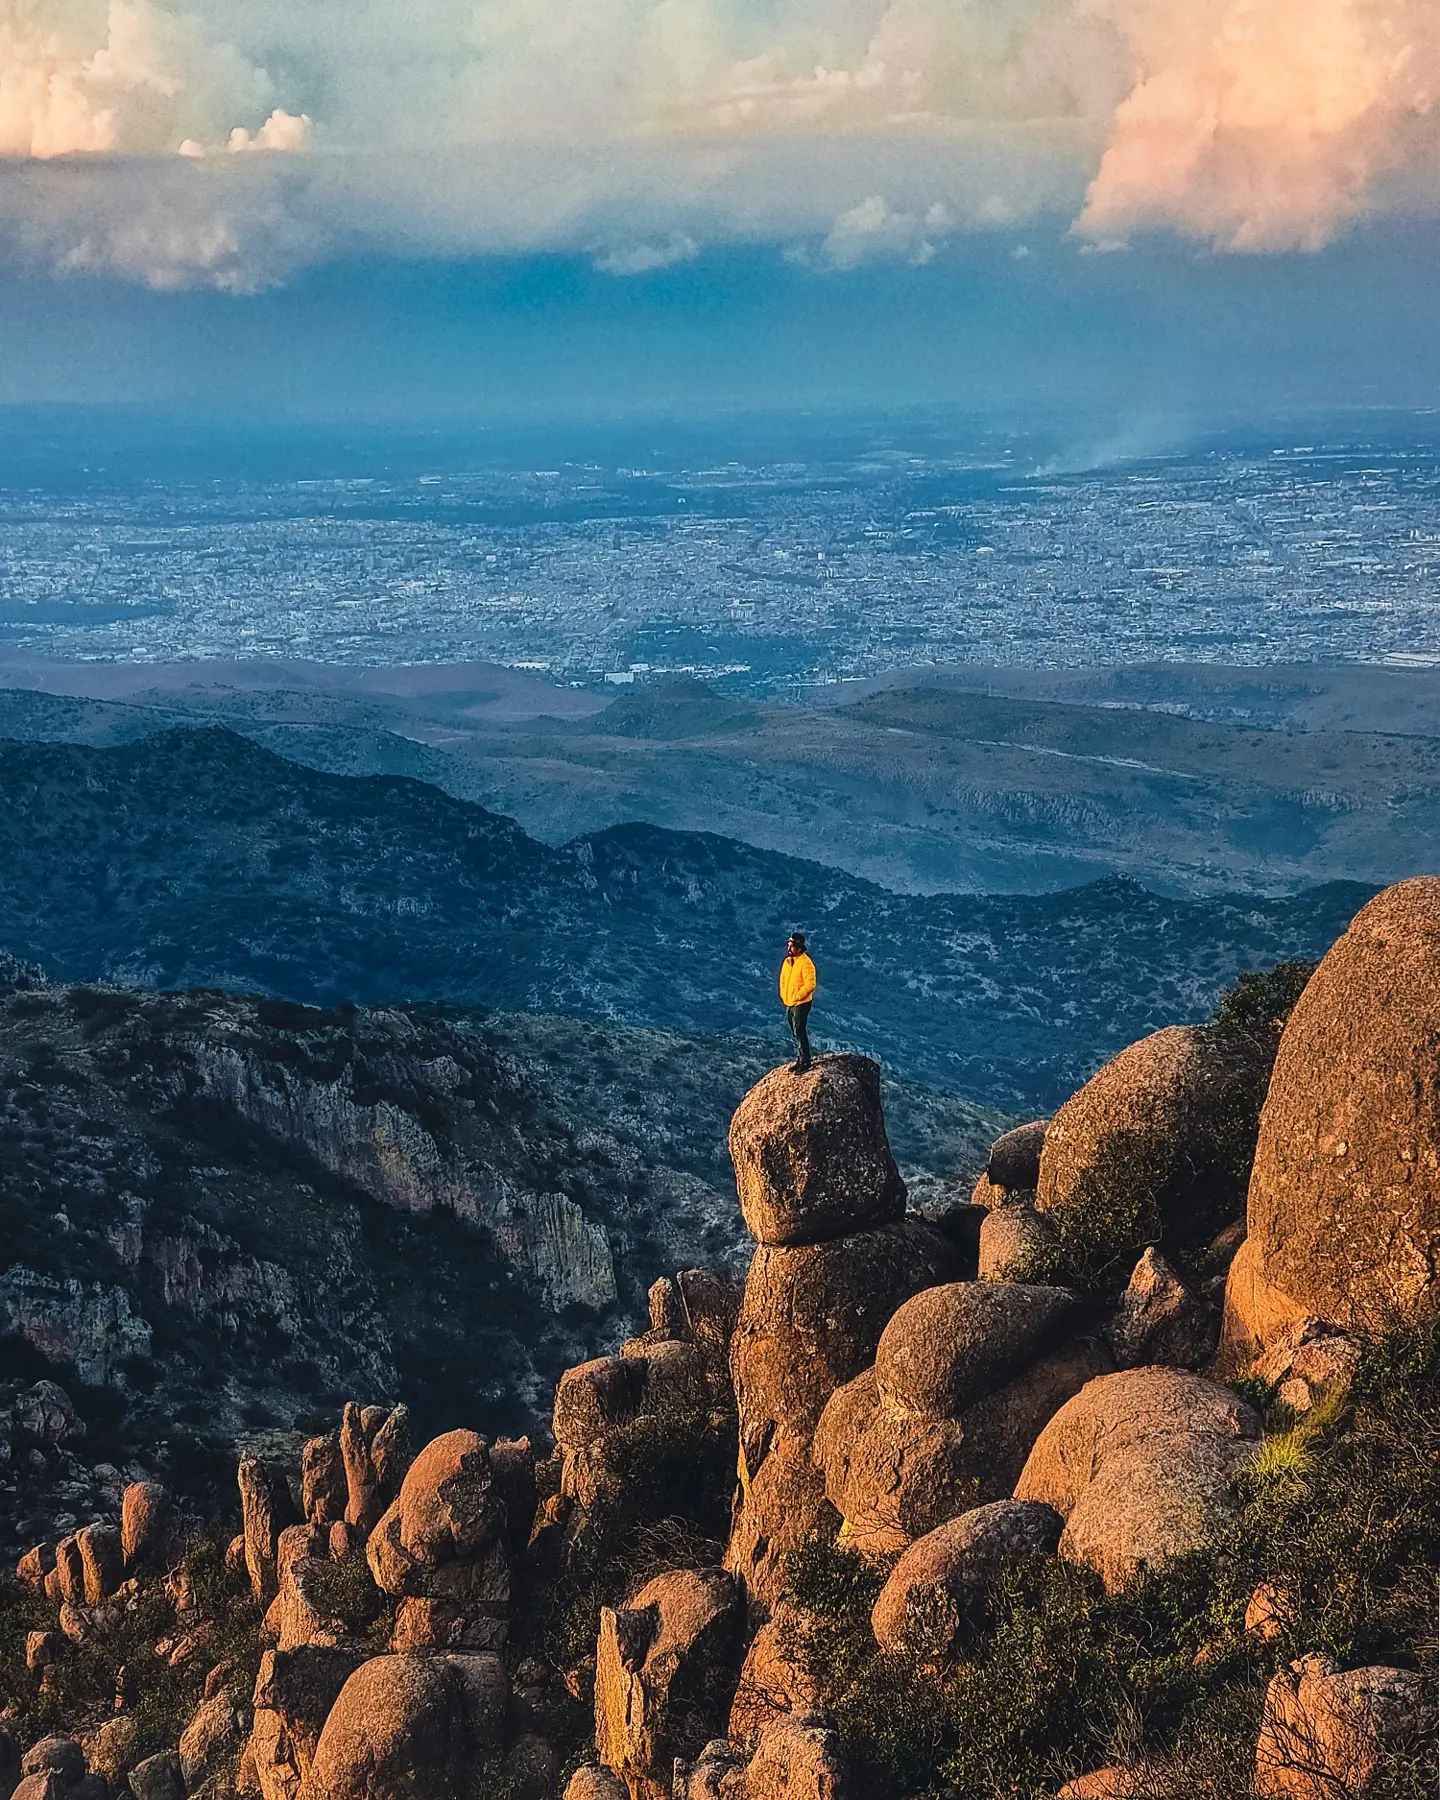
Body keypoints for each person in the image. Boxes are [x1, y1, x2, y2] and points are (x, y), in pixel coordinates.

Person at [779, 932, 818, 1072]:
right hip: (789, 1002)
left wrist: (797, 996)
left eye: (792, 947)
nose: (789, 949)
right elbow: (783, 980)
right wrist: (784, 995)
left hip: (801, 1003)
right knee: (794, 1032)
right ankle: (799, 1058)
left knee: (799, 1031)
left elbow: (810, 985)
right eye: (788, 946)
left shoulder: (806, 963)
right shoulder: (787, 962)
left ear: (800, 948)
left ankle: (806, 1061)